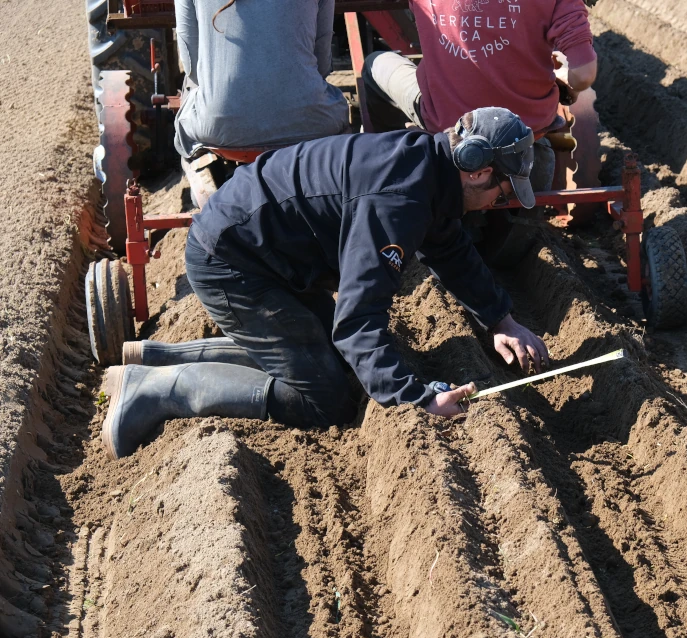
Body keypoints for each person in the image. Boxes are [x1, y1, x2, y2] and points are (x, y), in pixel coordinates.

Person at [100, 107, 550, 459]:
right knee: (324, 400)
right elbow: (358, 321)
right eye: (504, 189)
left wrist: (500, 319)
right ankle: (151, 391)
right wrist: (416, 399)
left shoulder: (425, 169)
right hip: (233, 263)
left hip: (265, 254)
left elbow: (449, 249)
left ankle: (156, 357)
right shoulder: (397, 201)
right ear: (475, 168)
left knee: (329, 359)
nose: (501, 200)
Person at [359, 0, 599, 190]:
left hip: (449, 124)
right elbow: (584, 74)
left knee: (374, 64)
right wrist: (570, 81)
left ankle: (387, 165)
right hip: (527, 131)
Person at [173, 0, 351, 204]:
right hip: (311, 123)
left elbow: (192, 66)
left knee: (192, 91)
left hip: (220, 128)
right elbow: (322, 60)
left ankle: (207, 191)